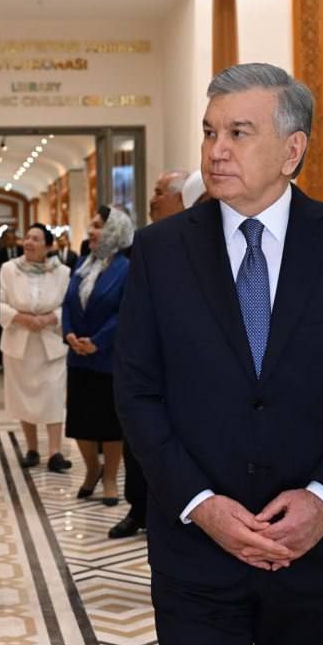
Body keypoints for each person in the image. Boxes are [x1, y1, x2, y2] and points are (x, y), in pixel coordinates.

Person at [116, 63, 323, 645]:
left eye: (238, 133)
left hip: (319, 556)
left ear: (291, 150)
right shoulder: (159, 251)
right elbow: (138, 392)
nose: (216, 150)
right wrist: (200, 504)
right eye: (209, 132)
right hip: (196, 557)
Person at [108, 168, 191, 541]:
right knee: (138, 440)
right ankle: (137, 507)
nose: (152, 199)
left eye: (160, 192)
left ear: (181, 198)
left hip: (185, 370)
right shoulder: (142, 245)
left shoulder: (201, 242)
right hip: (146, 366)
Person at [63, 205, 134, 508]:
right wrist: (68, 333)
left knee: (109, 422)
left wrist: (97, 342)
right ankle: (92, 469)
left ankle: (110, 479)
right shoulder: (82, 264)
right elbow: (68, 303)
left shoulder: (126, 268)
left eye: (97, 226)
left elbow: (125, 311)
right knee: (80, 420)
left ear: (114, 232)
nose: (91, 231)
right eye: (92, 225)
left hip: (108, 358)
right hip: (78, 356)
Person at [0, 222, 73, 473]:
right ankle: (31, 449)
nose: (29, 243)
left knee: (54, 396)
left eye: (36, 239)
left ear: (48, 246)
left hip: (51, 343)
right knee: (24, 397)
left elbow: (69, 306)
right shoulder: (8, 269)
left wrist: (49, 318)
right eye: (27, 238)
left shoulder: (63, 272)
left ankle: (55, 452)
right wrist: (22, 318)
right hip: (19, 343)